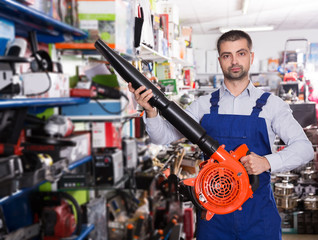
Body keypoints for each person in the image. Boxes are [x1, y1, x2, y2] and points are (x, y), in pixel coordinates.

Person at [128, 30, 314, 240]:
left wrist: (266, 162)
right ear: (220, 60)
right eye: (227, 55)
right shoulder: (203, 105)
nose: (234, 61)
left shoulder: (272, 105)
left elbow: (304, 148)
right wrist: (152, 112)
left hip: (258, 213)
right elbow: (162, 136)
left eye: (241, 53)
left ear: (251, 57)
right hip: (213, 215)